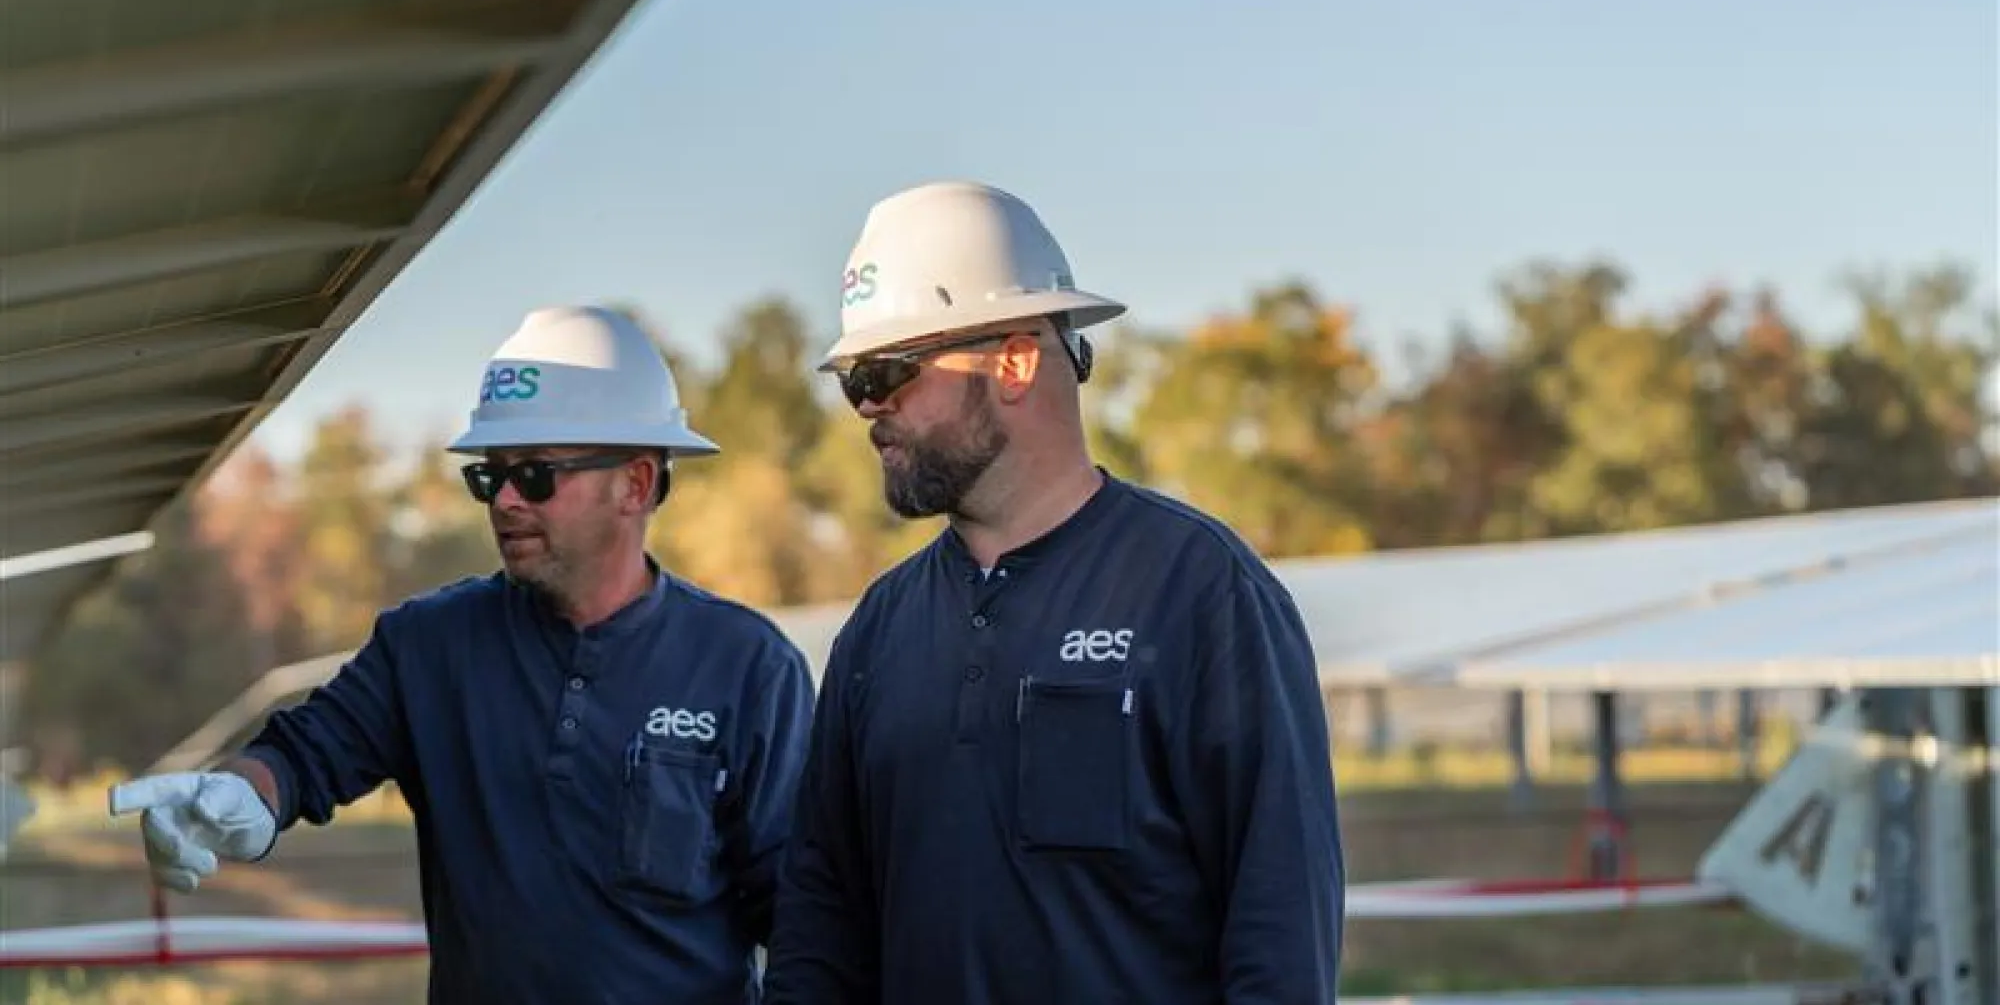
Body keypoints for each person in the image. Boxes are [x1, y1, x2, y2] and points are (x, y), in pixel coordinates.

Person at [109, 304, 818, 1005]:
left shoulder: (747, 667)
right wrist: (240, 794)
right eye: (490, 476)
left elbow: (803, 920)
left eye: (535, 475)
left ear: (634, 483)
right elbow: (303, 755)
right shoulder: (430, 646)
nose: (505, 501)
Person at [764, 181, 1347, 1004]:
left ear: (1014, 358)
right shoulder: (880, 629)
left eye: (892, 369)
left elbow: (1279, 926)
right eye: (854, 378)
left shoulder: (1199, 591)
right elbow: (822, 924)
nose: (868, 406)